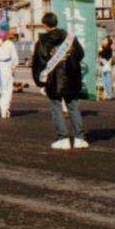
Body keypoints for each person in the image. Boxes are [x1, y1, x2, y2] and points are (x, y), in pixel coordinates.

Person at [32, 12, 87, 150]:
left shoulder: (43, 41)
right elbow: (80, 54)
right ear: (56, 22)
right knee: (73, 107)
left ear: (45, 25)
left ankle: (63, 138)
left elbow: (38, 62)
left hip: (53, 79)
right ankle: (80, 138)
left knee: (56, 108)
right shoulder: (70, 38)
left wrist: (40, 81)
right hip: (71, 77)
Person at [98, 35, 115, 101]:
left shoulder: (109, 48)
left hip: (107, 66)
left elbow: (108, 55)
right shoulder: (102, 47)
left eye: (105, 40)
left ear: (108, 41)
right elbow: (99, 55)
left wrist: (100, 53)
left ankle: (110, 95)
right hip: (103, 65)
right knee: (104, 81)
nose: (104, 41)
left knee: (108, 80)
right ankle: (107, 95)